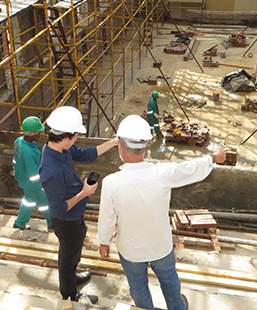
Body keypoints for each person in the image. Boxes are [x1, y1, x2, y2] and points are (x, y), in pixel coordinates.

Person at [97, 115, 228, 310]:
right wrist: (213, 157)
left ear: (120, 147)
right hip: (160, 245)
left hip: (131, 249)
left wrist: (104, 241)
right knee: (170, 281)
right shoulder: (162, 174)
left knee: (138, 288)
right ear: (146, 146)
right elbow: (190, 168)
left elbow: (107, 218)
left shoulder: (111, 182)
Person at [39, 106, 119, 304]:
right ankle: (70, 295)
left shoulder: (59, 147)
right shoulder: (52, 171)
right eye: (75, 136)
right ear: (65, 137)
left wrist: (114, 142)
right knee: (67, 257)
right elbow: (56, 209)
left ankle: (72, 278)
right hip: (66, 221)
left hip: (74, 218)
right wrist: (83, 193)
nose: (77, 139)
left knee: (72, 253)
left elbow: (85, 155)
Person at [12, 116, 51, 231]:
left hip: (24, 180)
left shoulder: (19, 141)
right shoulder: (28, 152)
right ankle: (53, 223)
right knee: (46, 204)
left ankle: (19, 223)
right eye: (38, 132)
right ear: (32, 134)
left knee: (28, 201)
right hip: (34, 185)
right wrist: (41, 186)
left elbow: (16, 160)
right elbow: (33, 174)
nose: (40, 134)